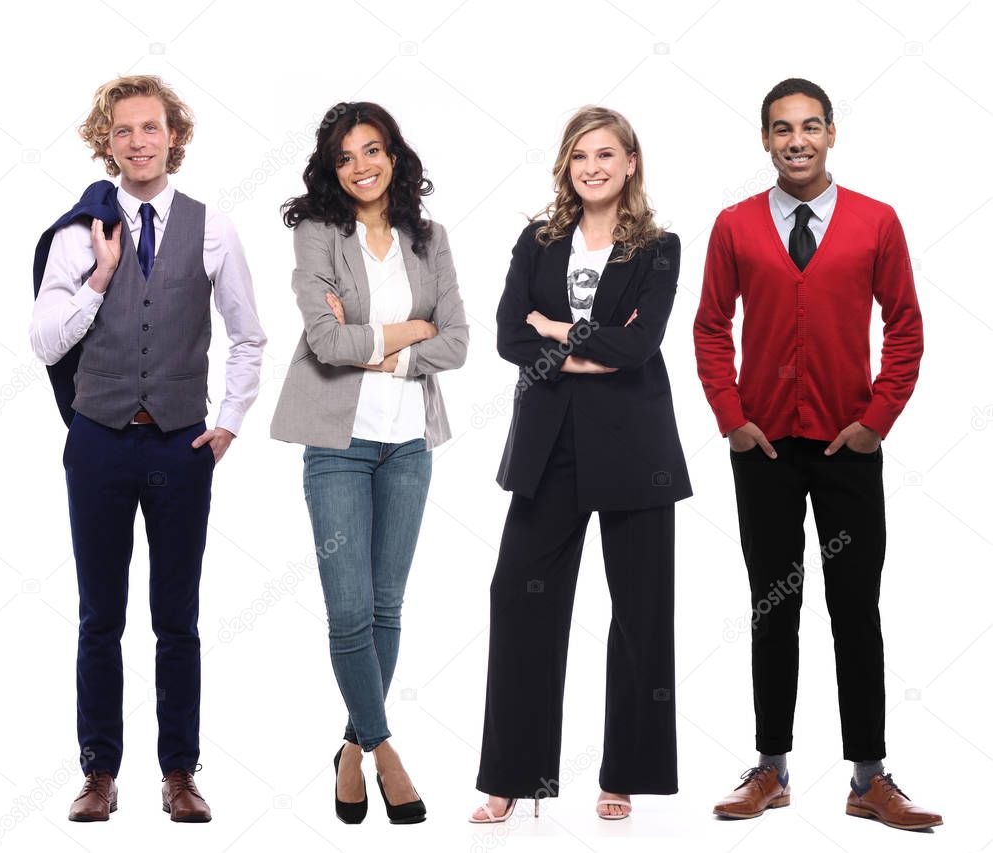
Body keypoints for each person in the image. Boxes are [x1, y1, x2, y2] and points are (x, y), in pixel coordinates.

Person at [694, 77, 941, 831]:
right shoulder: (734, 226)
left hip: (847, 444)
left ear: (831, 133)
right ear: (764, 140)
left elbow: (903, 324)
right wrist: (732, 418)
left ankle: (868, 777)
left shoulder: (875, 223)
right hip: (763, 446)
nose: (795, 139)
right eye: (780, 128)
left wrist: (877, 419)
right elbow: (709, 327)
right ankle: (770, 769)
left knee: (854, 608)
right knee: (773, 607)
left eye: (808, 126)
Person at [30, 74, 266, 822]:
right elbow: (43, 340)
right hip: (97, 441)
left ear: (175, 137)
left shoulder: (215, 228)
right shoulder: (79, 232)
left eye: (151, 128)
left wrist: (225, 421)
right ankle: (99, 772)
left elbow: (248, 335)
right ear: (106, 143)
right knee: (99, 614)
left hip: (177, 445)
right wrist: (99, 277)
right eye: (124, 130)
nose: (138, 142)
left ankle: (179, 771)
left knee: (177, 617)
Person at [470, 106, 690, 823]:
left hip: (635, 448)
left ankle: (625, 771)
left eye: (605, 154)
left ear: (630, 162)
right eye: (578, 156)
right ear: (567, 167)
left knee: (639, 615)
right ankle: (512, 774)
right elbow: (506, 335)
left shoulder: (660, 247)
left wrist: (556, 329)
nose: (591, 166)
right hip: (548, 444)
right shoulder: (536, 242)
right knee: (518, 600)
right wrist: (588, 345)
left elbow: (640, 348)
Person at [271, 101, 468, 825]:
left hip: (409, 441)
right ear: (332, 166)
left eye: (373, 149)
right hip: (338, 443)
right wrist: (412, 330)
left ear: (394, 155)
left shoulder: (429, 237)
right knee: (349, 608)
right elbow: (324, 341)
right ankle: (382, 749)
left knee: (387, 604)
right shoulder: (318, 233)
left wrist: (388, 341)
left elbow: (459, 340)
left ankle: (349, 748)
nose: (362, 165)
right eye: (346, 155)